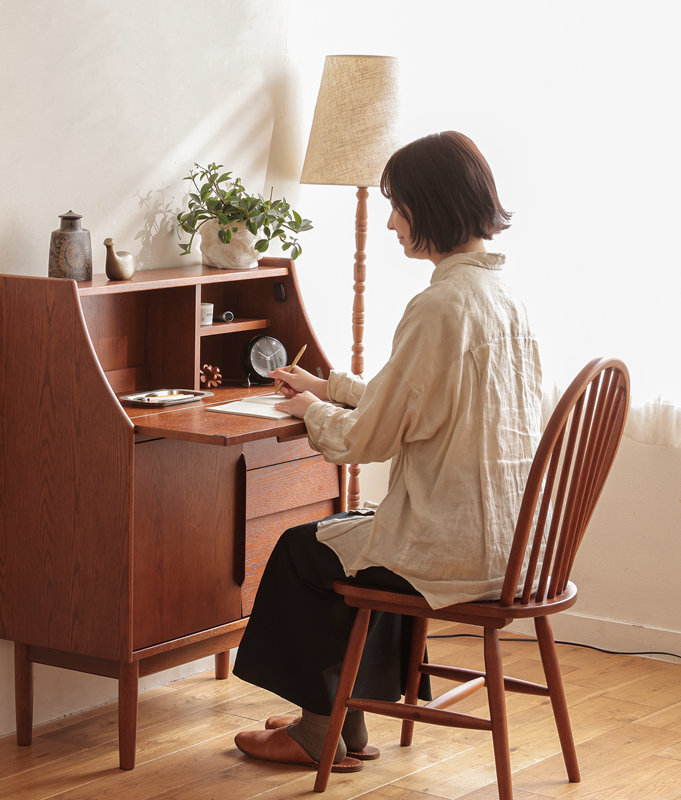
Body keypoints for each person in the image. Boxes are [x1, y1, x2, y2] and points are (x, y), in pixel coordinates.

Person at [232, 131, 543, 774]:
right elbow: (419, 396)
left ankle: (318, 730)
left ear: (431, 206)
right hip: (515, 546)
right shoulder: (505, 297)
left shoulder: (439, 306)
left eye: (399, 207)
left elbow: (367, 440)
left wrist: (309, 411)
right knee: (356, 542)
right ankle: (346, 722)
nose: (393, 223)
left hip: (449, 550)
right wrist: (329, 387)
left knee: (304, 551)